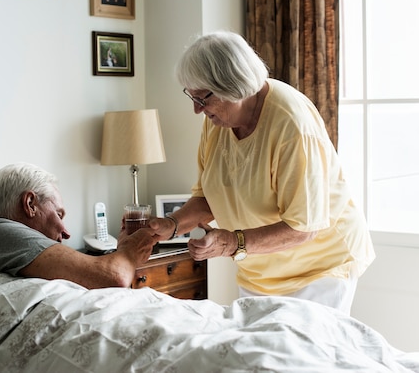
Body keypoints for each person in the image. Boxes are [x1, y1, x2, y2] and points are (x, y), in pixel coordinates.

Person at [150, 31, 375, 314]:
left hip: (318, 269)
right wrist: (170, 225)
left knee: (302, 356)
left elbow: (303, 227)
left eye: (202, 99)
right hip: (258, 269)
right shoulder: (217, 121)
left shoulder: (292, 125)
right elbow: (210, 197)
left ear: (231, 86)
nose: (197, 110)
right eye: (191, 97)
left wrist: (232, 242)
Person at [0, 162, 157, 288]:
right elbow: (113, 277)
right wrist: (129, 250)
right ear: (30, 204)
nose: (66, 232)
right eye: (58, 214)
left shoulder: (5, 249)